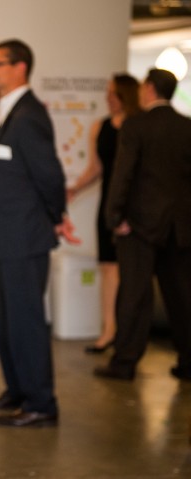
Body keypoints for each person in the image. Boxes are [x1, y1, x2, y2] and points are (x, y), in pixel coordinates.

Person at [0, 39, 80, 428]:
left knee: (27, 322)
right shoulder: (13, 112)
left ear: (21, 67)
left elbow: (50, 176)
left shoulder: (29, 115)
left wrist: (57, 215)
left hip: (25, 237)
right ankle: (17, 390)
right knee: (8, 320)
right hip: (9, 238)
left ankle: (41, 402)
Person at [94, 68, 191, 381]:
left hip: (138, 224)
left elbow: (123, 175)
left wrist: (115, 217)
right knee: (181, 295)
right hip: (178, 226)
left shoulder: (136, 125)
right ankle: (188, 362)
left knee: (134, 294)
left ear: (148, 88)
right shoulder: (186, 127)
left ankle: (124, 363)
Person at [67, 74, 141, 354]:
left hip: (134, 208)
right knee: (108, 268)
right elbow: (96, 168)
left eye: (113, 93)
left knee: (131, 271)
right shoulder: (100, 127)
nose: (108, 97)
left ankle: (129, 333)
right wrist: (73, 188)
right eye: (107, 93)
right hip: (108, 206)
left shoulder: (139, 126)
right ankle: (108, 329)